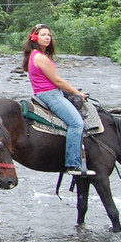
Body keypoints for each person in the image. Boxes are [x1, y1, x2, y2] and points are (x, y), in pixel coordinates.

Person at [24, 24, 94, 176]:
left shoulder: (34, 55)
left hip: (47, 93)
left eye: (49, 35)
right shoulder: (40, 57)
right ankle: (73, 164)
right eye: (43, 35)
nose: (47, 37)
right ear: (35, 37)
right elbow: (57, 81)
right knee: (77, 123)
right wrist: (77, 93)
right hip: (51, 95)